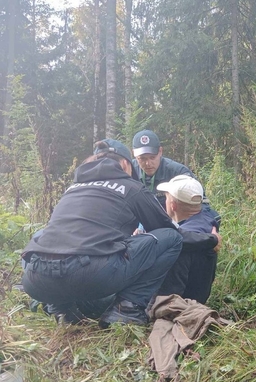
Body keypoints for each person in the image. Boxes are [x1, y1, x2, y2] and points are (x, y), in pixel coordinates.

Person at [21, 139, 183, 328]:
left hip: (35, 280)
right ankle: (127, 309)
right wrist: (208, 239)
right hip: (93, 275)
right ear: (124, 164)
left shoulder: (71, 190)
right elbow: (163, 228)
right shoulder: (131, 187)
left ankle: (61, 309)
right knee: (172, 238)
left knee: (43, 235)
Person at [155, 175, 221, 304]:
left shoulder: (187, 237)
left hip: (177, 304)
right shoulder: (206, 221)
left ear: (173, 205)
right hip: (196, 299)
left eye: (166, 198)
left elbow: (173, 239)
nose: (165, 202)